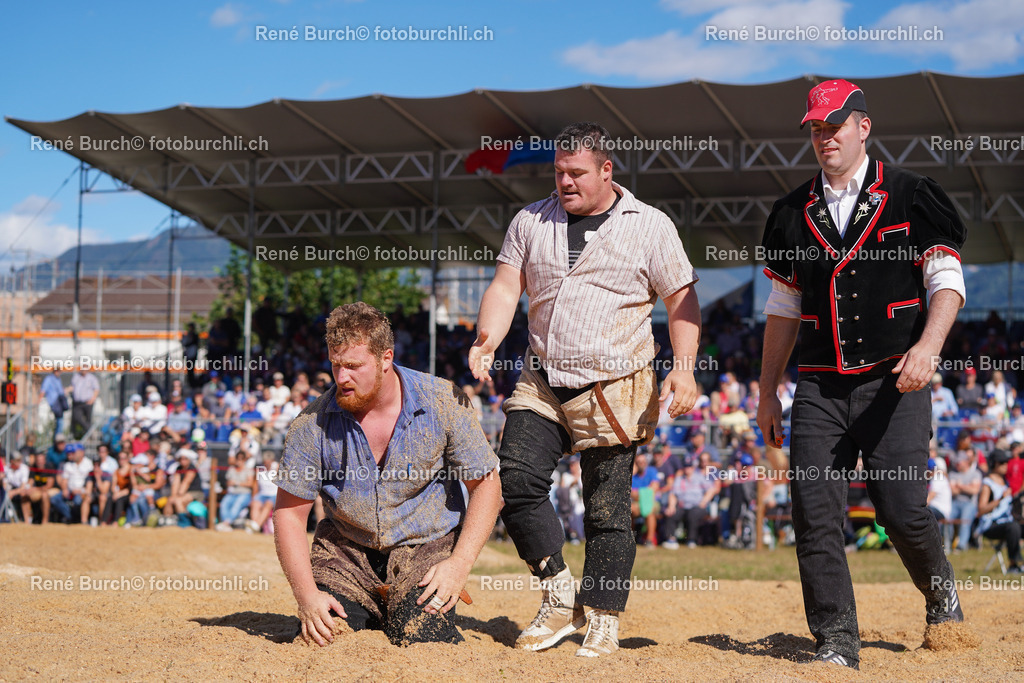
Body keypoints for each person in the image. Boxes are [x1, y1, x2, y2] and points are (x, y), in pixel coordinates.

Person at [756, 79, 968, 670]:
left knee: (900, 510)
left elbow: (946, 281)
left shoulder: (912, 194)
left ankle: (940, 587)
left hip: (895, 381)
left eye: (835, 126)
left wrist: (929, 346)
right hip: (819, 385)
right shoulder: (790, 212)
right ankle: (836, 640)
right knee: (813, 512)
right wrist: (768, 390)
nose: (825, 137)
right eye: (816, 129)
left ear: (863, 127)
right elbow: (782, 308)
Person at [469, 122, 701, 657]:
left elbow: (681, 300)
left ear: (606, 170)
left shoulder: (650, 225)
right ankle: (558, 595)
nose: (565, 182)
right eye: (559, 172)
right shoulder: (531, 219)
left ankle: (603, 616)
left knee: (605, 509)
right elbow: (506, 286)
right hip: (543, 379)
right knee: (516, 480)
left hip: (616, 385)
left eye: (576, 172)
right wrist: (487, 339)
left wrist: (685, 368)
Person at [274, 303, 501, 647]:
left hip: (424, 553)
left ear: (386, 358)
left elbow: (486, 484)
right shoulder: (311, 423)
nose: (341, 377)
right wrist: (307, 596)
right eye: (335, 364)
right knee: (324, 639)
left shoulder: (443, 401)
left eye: (353, 366)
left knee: (425, 639)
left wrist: (459, 563)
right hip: (345, 557)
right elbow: (289, 515)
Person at [975, 449, 1023, 573]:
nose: (1005, 465)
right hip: (991, 525)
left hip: (1007, 522)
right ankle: (1014, 565)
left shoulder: (1005, 482)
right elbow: (981, 510)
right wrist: (1000, 499)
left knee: (1016, 525)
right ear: (994, 464)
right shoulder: (988, 484)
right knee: (1013, 527)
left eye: (1006, 462)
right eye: (1002, 463)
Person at [70, 368, 100, 439]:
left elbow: (96, 389)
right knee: (77, 417)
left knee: (88, 420)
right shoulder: (76, 377)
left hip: (87, 402)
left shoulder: (92, 378)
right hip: (77, 403)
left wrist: (92, 399)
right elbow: (72, 387)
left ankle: (88, 437)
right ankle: (91, 431)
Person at [40, 369, 67, 441]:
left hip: (59, 403)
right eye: (58, 371)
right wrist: (39, 402)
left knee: (59, 421)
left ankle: (57, 438)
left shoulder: (58, 379)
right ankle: (57, 439)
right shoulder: (49, 379)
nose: (59, 372)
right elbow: (43, 390)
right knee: (59, 421)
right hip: (54, 403)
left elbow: (61, 392)